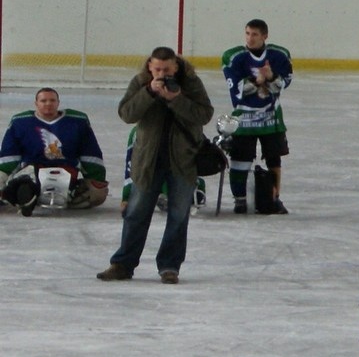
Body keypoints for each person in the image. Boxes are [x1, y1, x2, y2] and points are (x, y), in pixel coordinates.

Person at [96, 46, 213, 285]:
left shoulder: (190, 83)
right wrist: (149, 92)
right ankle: (122, 264)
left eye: (167, 69)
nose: (162, 74)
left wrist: (176, 99)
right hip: (147, 160)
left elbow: (204, 115)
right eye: (157, 69)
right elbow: (127, 113)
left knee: (179, 216)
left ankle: (169, 267)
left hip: (182, 160)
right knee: (136, 213)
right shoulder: (141, 82)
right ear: (149, 66)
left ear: (176, 66)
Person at [221, 18, 293, 214]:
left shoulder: (280, 55)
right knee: (240, 159)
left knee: (274, 158)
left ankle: (274, 196)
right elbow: (238, 89)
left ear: (264, 36)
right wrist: (258, 79)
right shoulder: (233, 57)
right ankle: (240, 199)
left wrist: (269, 77)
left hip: (271, 116)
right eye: (247, 34)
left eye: (254, 34)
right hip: (244, 117)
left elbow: (283, 83)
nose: (250, 38)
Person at [0, 87, 108, 216]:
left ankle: (42, 197)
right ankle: (25, 193)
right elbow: (10, 153)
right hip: (33, 171)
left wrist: (96, 178)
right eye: (43, 100)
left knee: (98, 195)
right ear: (36, 103)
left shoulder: (77, 121)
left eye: (52, 100)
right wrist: (2, 177)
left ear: (58, 103)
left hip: (67, 171)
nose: (48, 104)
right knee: (21, 185)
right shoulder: (20, 122)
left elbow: (90, 152)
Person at [120, 125, 206, 217]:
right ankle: (163, 191)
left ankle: (171, 192)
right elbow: (132, 165)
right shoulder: (140, 132)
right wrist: (127, 196)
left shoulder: (187, 130)